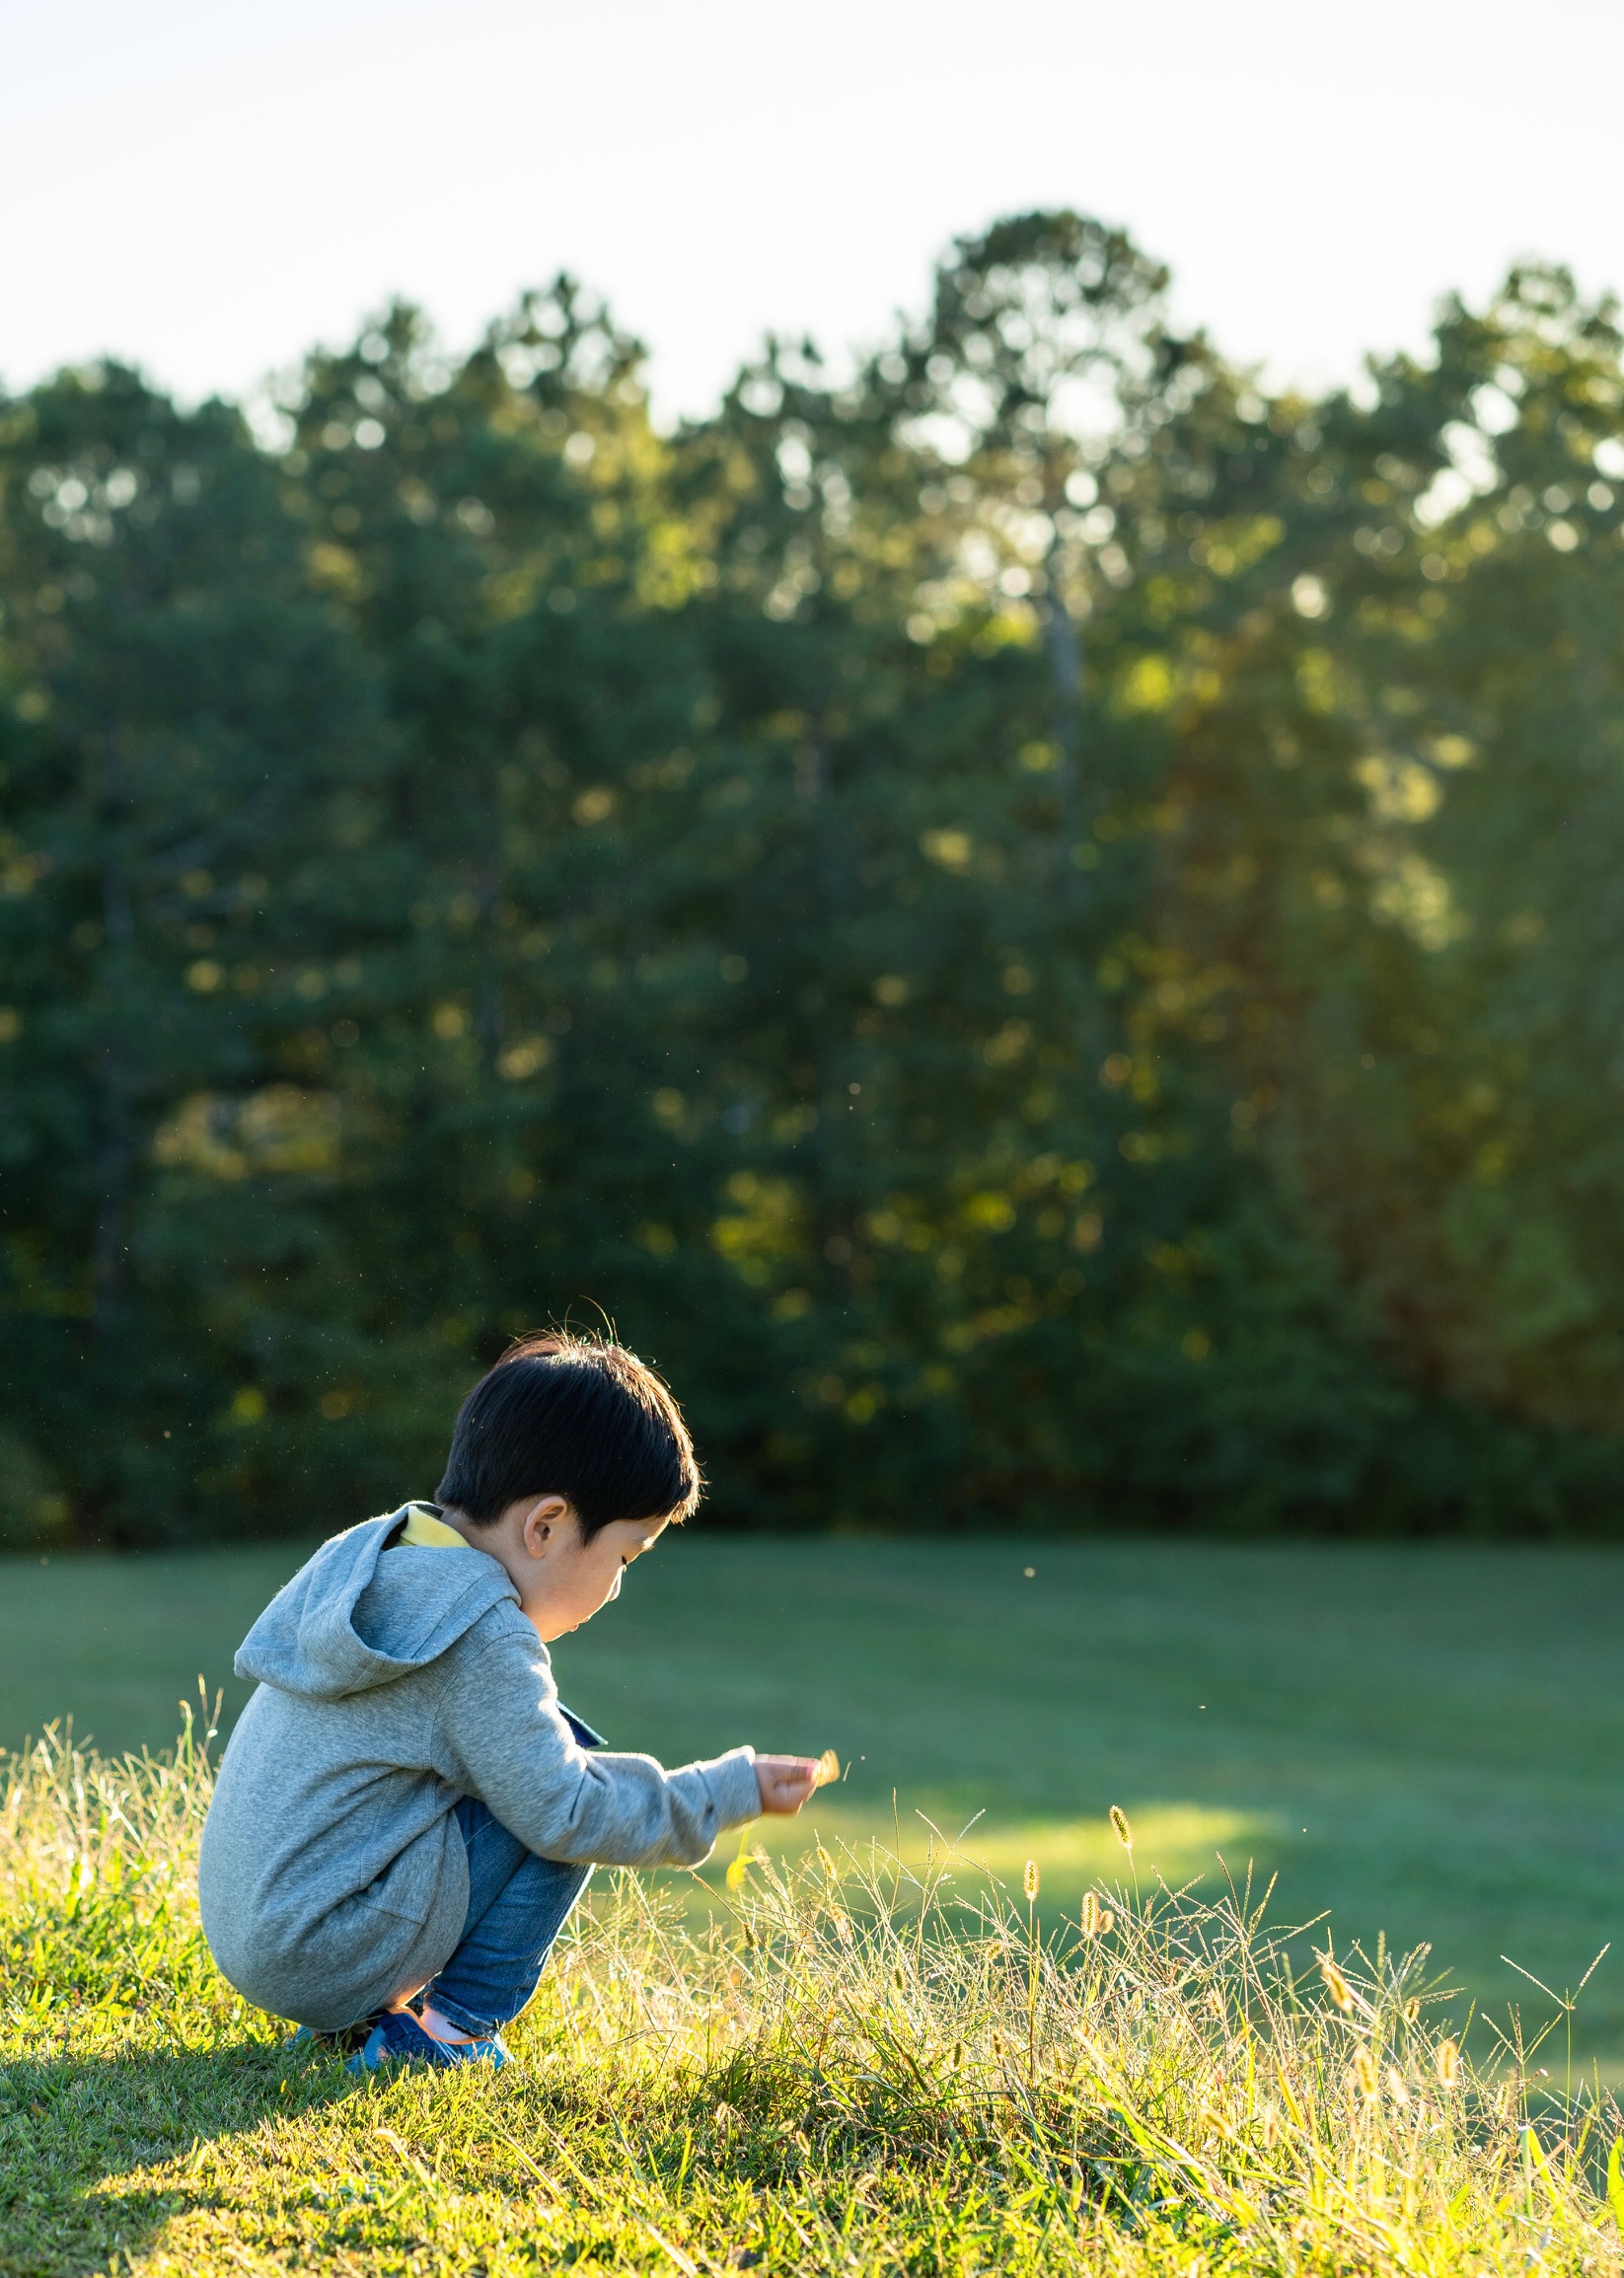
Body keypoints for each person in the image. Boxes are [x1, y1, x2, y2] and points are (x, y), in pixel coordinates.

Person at [198, 1332, 820, 2071]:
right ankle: (450, 2033)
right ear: (547, 1523)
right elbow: (567, 1811)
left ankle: (358, 2021)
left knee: (538, 1756)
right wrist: (724, 1792)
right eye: (622, 1556)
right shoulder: (479, 1631)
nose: (617, 1586)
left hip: (258, 1932)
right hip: (322, 1947)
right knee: (571, 1784)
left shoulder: (378, 1555)